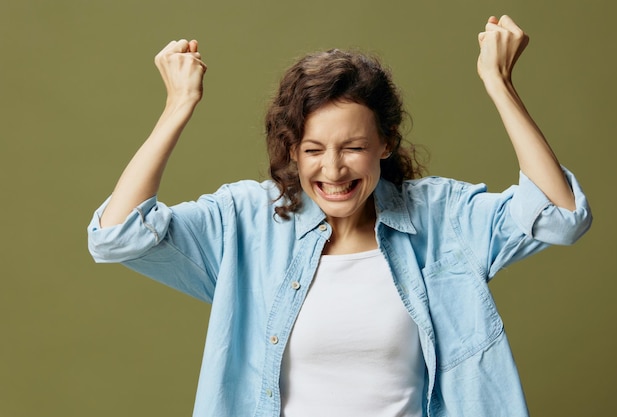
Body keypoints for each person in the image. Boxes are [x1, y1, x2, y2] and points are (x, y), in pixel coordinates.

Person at [88, 15, 591, 417]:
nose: (333, 170)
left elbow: (560, 216)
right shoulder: (246, 224)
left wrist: (499, 83)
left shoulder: (443, 220)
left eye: (353, 147)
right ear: (292, 150)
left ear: (386, 143)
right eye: (312, 150)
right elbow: (116, 237)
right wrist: (178, 105)